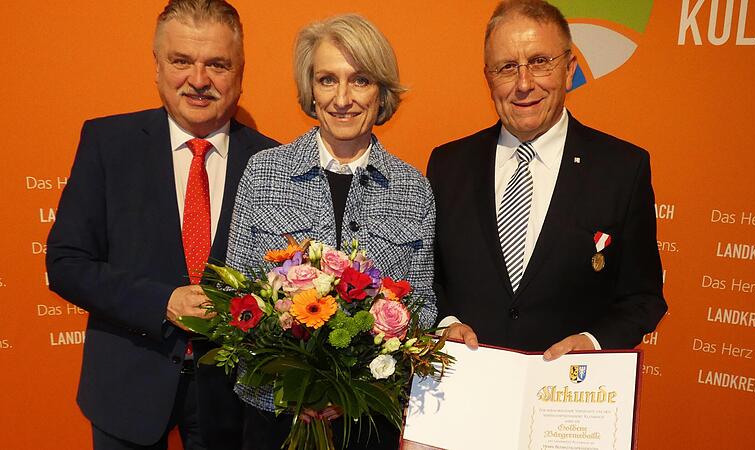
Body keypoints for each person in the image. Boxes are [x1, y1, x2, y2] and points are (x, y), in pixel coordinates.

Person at [45, 1, 279, 448]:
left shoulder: (274, 163)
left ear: (241, 73)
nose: (198, 80)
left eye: (217, 64)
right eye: (181, 61)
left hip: (238, 397)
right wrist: (162, 301)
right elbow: (66, 263)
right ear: (156, 66)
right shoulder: (106, 143)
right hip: (127, 387)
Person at [225, 13, 436, 450]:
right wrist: (287, 388)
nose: (343, 98)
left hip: (368, 422)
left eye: (360, 80)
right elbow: (238, 300)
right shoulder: (264, 173)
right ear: (311, 90)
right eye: (327, 80)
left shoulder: (413, 187)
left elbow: (423, 307)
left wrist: (355, 389)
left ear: (381, 92)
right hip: (275, 419)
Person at [428, 0, 667, 357]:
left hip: (568, 395)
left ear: (569, 70)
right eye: (507, 67)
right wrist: (445, 323)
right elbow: (427, 278)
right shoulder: (448, 164)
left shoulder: (622, 169)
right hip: (465, 390)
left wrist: (593, 342)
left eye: (540, 62)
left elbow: (643, 297)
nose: (524, 84)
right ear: (488, 79)